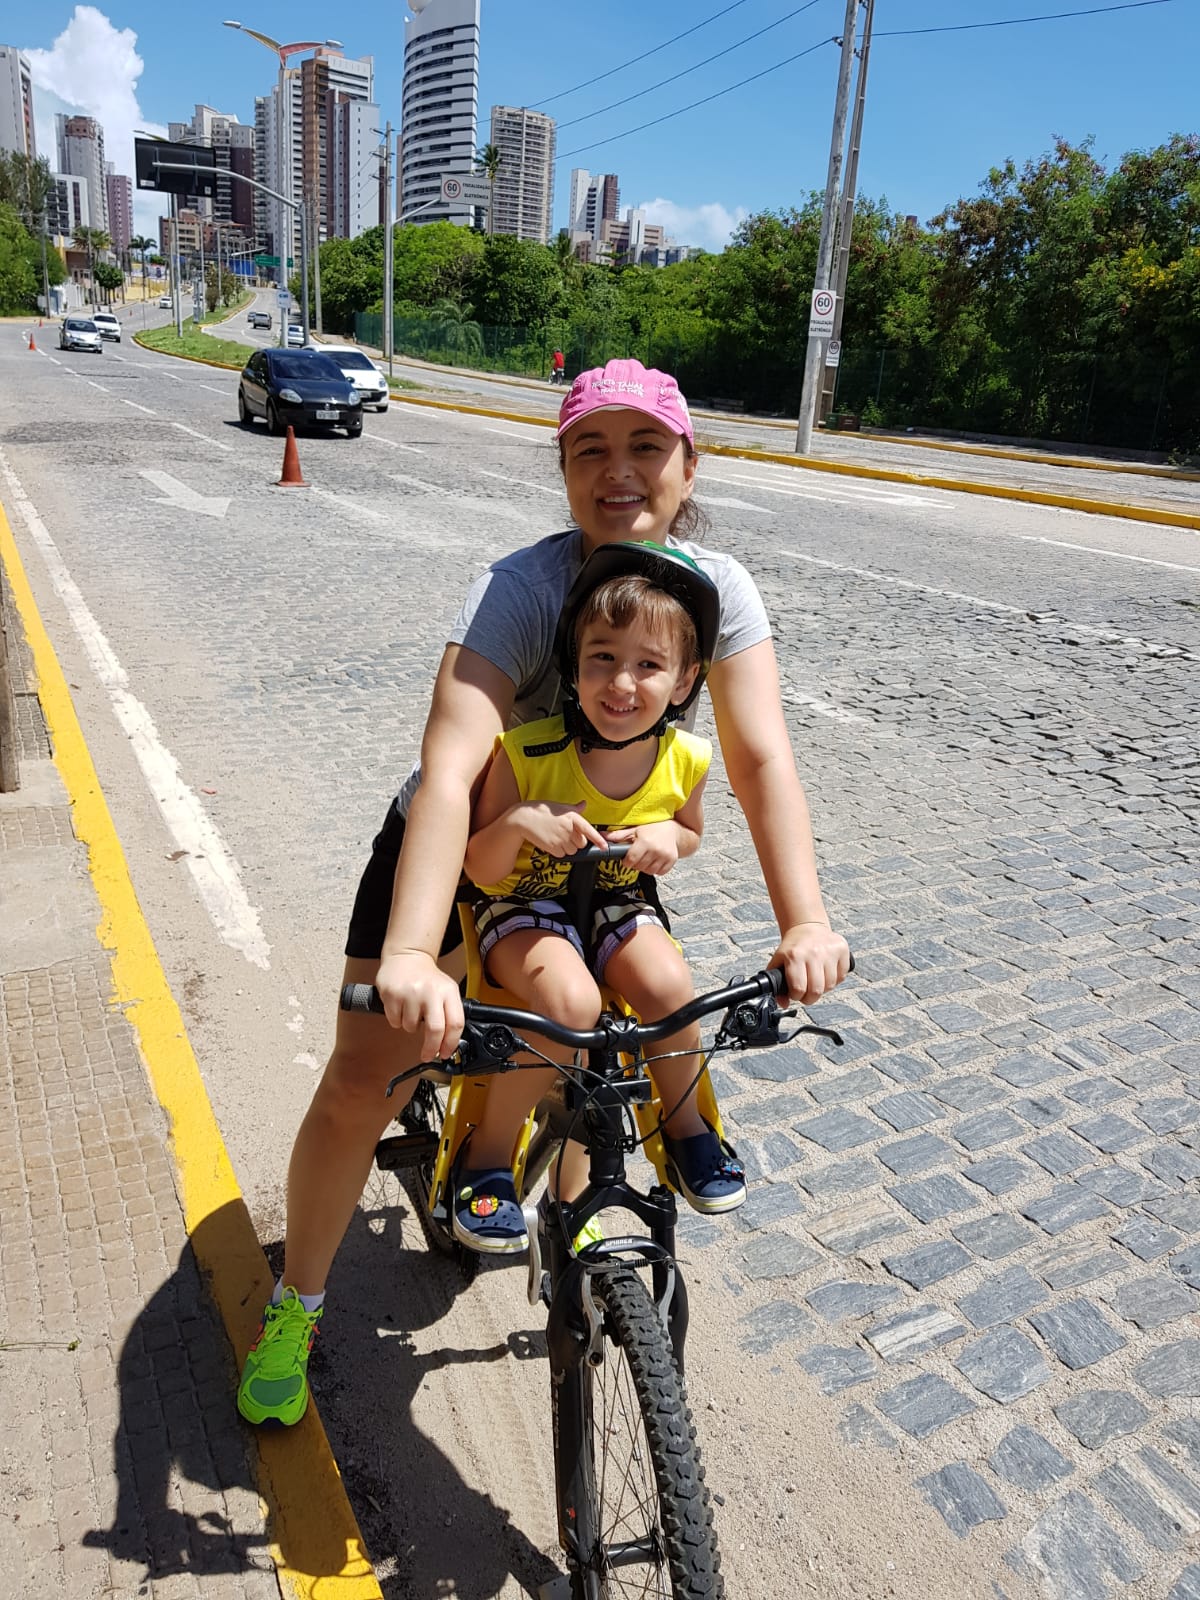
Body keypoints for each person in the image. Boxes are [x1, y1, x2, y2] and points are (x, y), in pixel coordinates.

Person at [236, 358, 851, 1427]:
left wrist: (805, 918)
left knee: (600, 1028)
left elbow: (758, 762)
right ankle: (298, 1304)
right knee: (364, 1078)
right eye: (588, 449)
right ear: (564, 470)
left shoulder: (719, 590)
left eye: (643, 446)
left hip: (593, 864)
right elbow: (447, 767)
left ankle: (577, 1220)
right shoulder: (524, 586)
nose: (618, 472)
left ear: (688, 462)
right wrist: (416, 958)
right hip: (465, 841)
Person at [455, 541, 743, 1254]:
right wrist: (522, 822)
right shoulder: (524, 754)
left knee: (670, 984)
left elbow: (690, 835)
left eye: (649, 664)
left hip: (613, 900)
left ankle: (684, 1131)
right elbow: (480, 866)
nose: (622, 682)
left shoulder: (687, 760)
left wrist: (668, 841)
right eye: (602, 659)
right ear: (573, 669)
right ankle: (488, 1155)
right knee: (570, 1006)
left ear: (684, 681)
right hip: (521, 904)